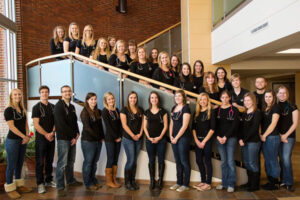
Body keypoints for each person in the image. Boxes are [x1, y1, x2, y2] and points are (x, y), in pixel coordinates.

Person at [4, 89, 32, 199]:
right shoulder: (8, 110)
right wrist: (23, 137)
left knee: (20, 163)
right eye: (15, 94)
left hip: (23, 140)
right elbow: (12, 127)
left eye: (19, 94)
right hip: (12, 141)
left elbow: (26, 124)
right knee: (11, 165)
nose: (17, 96)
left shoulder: (22, 109)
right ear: (11, 96)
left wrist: (28, 136)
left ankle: (19, 185)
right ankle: (10, 188)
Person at [54, 85, 82, 197]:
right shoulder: (58, 106)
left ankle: (70, 180)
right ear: (61, 93)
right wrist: (72, 137)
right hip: (63, 139)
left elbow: (74, 122)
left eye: (69, 91)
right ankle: (60, 185)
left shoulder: (71, 106)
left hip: (72, 138)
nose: (67, 93)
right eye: (65, 92)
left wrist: (77, 134)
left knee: (71, 161)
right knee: (62, 163)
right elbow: (61, 124)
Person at [32, 86, 56, 194]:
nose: (44, 94)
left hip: (51, 137)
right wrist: (46, 134)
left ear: (49, 93)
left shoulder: (53, 106)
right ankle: (40, 184)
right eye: (42, 92)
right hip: (41, 139)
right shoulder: (36, 107)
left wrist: (52, 133)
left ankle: (49, 180)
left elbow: (56, 122)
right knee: (40, 162)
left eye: (46, 92)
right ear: (40, 94)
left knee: (50, 161)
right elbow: (36, 125)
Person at [215, 90, 239, 193]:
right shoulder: (217, 110)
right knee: (223, 162)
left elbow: (235, 125)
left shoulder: (234, 109)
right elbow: (214, 125)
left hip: (231, 138)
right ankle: (224, 183)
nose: (224, 99)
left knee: (230, 161)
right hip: (219, 139)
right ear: (220, 98)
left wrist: (225, 137)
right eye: (222, 97)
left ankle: (231, 184)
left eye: (226, 97)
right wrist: (218, 137)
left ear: (229, 98)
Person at [144, 92, 168, 190]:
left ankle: (160, 180)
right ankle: (152, 180)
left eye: (155, 98)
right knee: (151, 160)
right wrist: (149, 137)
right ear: (150, 100)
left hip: (161, 140)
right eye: (152, 98)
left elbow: (166, 126)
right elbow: (144, 127)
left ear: (158, 99)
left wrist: (159, 137)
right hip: (149, 140)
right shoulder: (146, 112)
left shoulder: (163, 112)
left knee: (161, 160)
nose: (154, 99)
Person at [80, 93, 104, 190]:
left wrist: (102, 137)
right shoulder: (84, 112)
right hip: (88, 141)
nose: (94, 101)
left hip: (98, 141)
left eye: (95, 99)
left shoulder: (98, 111)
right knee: (88, 162)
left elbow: (101, 126)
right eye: (91, 99)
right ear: (87, 101)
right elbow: (87, 128)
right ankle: (88, 183)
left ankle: (93, 180)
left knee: (94, 162)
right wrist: (98, 137)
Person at [120, 91, 144, 191]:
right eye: (131, 98)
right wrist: (133, 135)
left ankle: (133, 181)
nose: (133, 99)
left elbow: (143, 123)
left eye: (134, 97)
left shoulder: (140, 109)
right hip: (128, 138)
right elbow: (124, 125)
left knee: (134, 160)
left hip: (138, 138)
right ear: (128, 99)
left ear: (136, 99)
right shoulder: (124, 110)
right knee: (131, 160)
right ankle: (127, 182)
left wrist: (140, 133)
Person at [192, 93, 215, 191]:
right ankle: (203, 181)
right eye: (201, 100)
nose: (202, 101)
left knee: (207, 161)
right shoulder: (196, 113)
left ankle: (208, 183)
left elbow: (212, 129)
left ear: (208, 100)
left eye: (204, 99)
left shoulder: (211, 112)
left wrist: (204, 141)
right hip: (198, 140)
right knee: (198, 160)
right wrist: (196, 140)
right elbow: (193, 128)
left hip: (207, 141)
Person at [169, 90, 191, 192]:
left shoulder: (186, 108)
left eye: (179, 96)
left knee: (184, 161)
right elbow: (171, 123)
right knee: (177, 161)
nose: (177, 98)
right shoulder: (173, 108)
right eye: (176, 96)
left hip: (183, 138)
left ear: (183, 97)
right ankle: (179, 182)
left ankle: (185, 184)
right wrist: (171, 136)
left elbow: (185, 126)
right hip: (174, 138)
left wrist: (177, 138)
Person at [277, 86, 298, 192]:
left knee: (286, 159)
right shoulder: (275, 106)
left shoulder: (293, 106)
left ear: (287, 94)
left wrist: (285, 135)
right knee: (281, 159)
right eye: (280, 93)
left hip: (289, 137)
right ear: (277, 94)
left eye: (284, 93)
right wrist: (280, 135)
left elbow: (295, 123)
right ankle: (283, 180)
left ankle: (289, 182)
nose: (282, 95)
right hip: (278, 136)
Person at [239, 93, 261, 192]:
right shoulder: (244, 113)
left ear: (253, 101)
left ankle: (255, 185)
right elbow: (241, 128)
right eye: (245, 100)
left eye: (248, 100)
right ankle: (249, 183)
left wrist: (244, 140)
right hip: (244, 142)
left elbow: (254, 128)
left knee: (252, 163)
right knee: (247, 163)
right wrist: (240, 138)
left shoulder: (257, 112)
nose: (247, 102)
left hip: (253, 141)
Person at [260, 89, 281, 190]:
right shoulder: (265, 108)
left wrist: (264, 135)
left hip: (272, 137)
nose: (268, 98)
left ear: (274, 98)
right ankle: (270, 181)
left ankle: (275, 182)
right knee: (267, 160)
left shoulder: (276, 108)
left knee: (272, 160)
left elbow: (273, 124)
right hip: (265, 137)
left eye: (270, 97)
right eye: (266, 97)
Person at [102, 92, 122, 188]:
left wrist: (120, 136)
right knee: (110, 158)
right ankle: (109, 181)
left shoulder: (116, 110)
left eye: (112, 98)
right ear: (106, 101)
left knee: (115, 159)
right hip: (110, 139)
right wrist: (116, 137)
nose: (111, 100)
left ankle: (114, 179)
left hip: (118, 138)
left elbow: (119, 125)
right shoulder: (105, 111)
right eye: (109, 99)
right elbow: (108, 127)